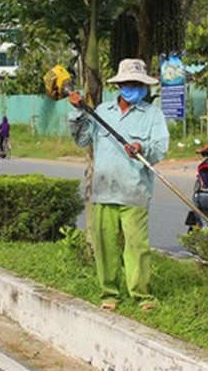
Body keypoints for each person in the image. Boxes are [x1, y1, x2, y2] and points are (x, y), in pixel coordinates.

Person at [68, 58, 169, 312]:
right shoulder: (102, 112)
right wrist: (78, 112)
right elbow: (81, 139)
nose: (132, 87)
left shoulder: (153, 115)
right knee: (105, 246)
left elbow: (160, 147)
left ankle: (143, 296)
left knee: (137, 246)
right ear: (120, 85)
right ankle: (110, 294)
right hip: (104, 191)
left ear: (144, 87)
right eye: (128, 83)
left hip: (134, 191)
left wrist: (141, 146)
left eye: (137, 83)